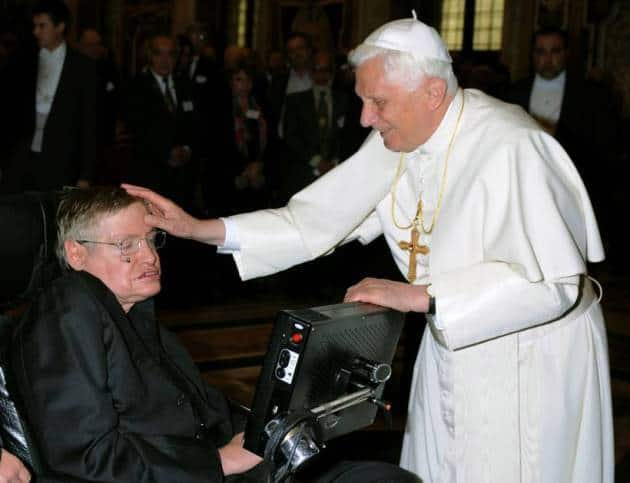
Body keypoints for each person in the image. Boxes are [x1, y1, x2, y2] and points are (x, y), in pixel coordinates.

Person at [124, 13, 613, 483]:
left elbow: (554, 286)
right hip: (453, 346)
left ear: (432, 93)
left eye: (377, 102)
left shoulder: (512, 146)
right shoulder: (400, 137)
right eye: (362, 100)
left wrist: (420, 297)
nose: (364, 118)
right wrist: (199, 228)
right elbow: (310, 222)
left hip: (529, 362)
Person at [10, 186, 419, 483]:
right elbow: (84, 454)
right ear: (76, 253)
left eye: (152, 241)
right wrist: (219, 461)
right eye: (126, 245)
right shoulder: (69, 303)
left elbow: (205, 412)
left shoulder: (137, 318)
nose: (149, 256)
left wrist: (280, 428)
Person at [0, 0, 97, 193]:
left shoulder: (83, 67)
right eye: (34, 26)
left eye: (42, 26)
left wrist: (86, 175)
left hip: (61, 163)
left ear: (60, 27)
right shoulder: (20, 62)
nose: (36, 31)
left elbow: (90, 123)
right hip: (20, 161)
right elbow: (7, 112)